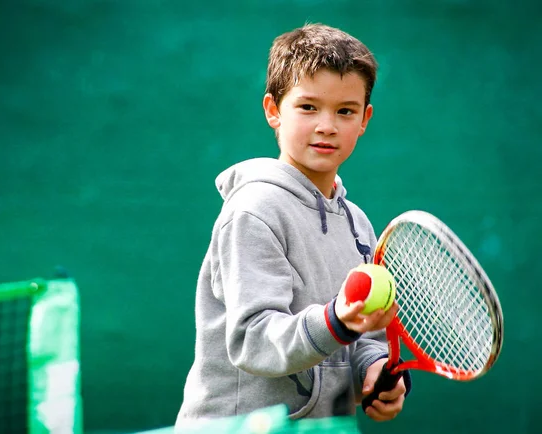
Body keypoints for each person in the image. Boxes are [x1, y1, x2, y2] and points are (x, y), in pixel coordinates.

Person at [176, 23, 411, 427]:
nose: (326, 125)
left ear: (364, 119)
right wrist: (335, 320)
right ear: (273, 111)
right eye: (307, 107)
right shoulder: (253, 210)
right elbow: (253, 339)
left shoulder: (358, 225)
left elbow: (361, 335)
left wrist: (374, 371)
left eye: (345, 111)